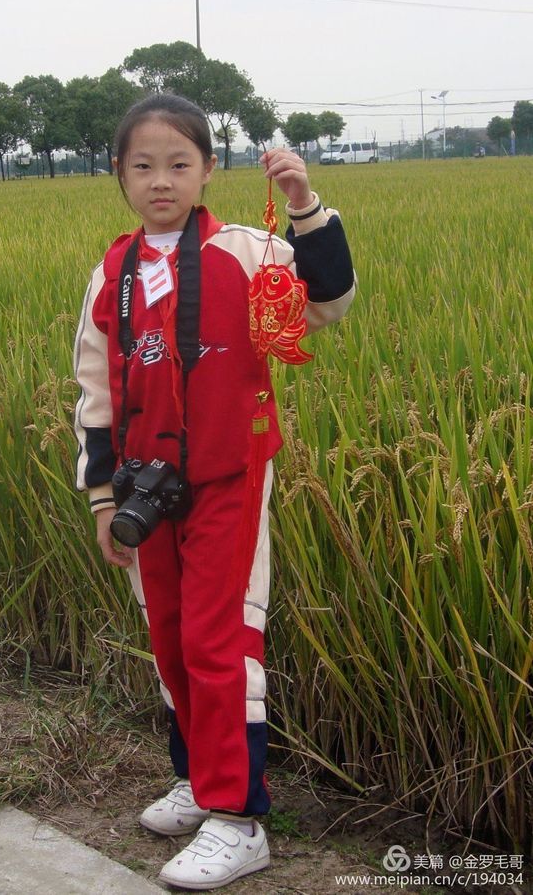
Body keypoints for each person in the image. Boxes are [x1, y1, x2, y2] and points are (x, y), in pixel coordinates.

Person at [73, 93, 355, 890]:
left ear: (208, 170)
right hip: (143, 487)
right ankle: (198, 779)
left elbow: (328, 304)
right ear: (118, 175)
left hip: (229, 475)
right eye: (142, 165)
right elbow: (94, 388)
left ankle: (239, 819)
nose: (160, 180)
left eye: (178, 164)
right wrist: (102, 495)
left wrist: (304, 207)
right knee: (168, 633)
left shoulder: (247, 248)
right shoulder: (114, 269)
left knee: (219, 637)